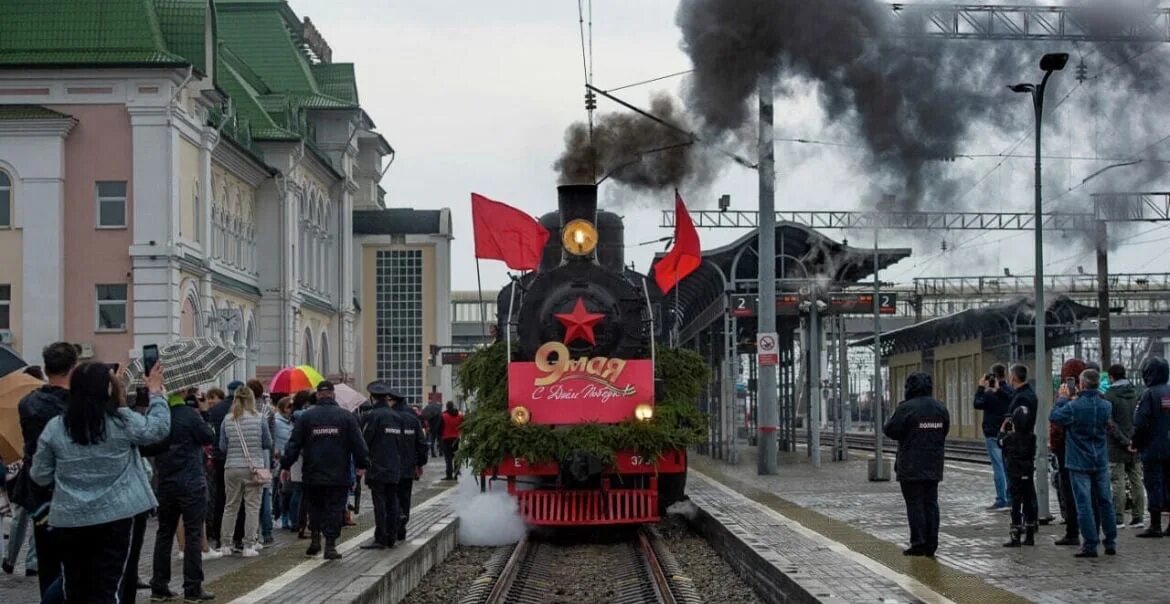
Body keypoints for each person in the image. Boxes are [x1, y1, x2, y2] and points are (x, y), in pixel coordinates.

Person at [30, 361, 170, 603]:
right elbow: (156, 430)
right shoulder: (121, 422)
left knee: (73, 586)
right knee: (107, 585)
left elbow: (40, 473)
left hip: (70, 517)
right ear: (107, 390)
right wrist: (156, 394)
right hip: (115, 516)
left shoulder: (57, 427)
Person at [15, 341, 78, 596]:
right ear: (73, 369)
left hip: (38, 492)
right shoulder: (76, 406)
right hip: (70, 491)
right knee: (75, 565)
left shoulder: (27, 403)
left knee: (47, 561)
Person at [280, 381, 369, 560]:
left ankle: (314, 540)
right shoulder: (346, 417)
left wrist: (285, 465)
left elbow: (293, 444)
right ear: (333, 395)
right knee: (335, 508)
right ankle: (330, 545)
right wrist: (362, 464)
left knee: (315, 506)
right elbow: (358, 444)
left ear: (318, 395)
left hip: (312, 472)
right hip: (339, 472)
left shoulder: (306, 417)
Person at [142, 390, 216, 601]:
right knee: (193, 534)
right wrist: (204, 413)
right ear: (183, 392)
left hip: (166, 482)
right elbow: (209, 437)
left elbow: (150, 446)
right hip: (191, 482)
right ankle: (192, 588)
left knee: (164, 533)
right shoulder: (189, 415)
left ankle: (159, 586)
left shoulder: (158, 415)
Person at [1050, 368, 1120, 558]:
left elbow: (1054, 417)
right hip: (1099, 458)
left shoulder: (1074, 407)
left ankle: (1090, 544)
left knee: (1084, 503)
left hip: (1078, 460)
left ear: (1081, 384)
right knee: (1105, 501)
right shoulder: (1106, 406)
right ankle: (1111, 541)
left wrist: (1062, 399)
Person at [883, 372, 949, 557]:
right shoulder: (940, 408)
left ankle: (919, 543)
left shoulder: (907, 408)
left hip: (911, 465)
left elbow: (890, 430)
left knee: (915, 504)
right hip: (933, 463)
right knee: (931, 503)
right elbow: (944, 430)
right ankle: (932, 543)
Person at [217, 386, 271, 557]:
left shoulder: (227, 419)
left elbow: (222, 446)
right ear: (252, 400)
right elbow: (267, 442)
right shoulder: (260, 418)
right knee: (252, 507)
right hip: (253, 468)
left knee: (230, 506)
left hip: (231, 467)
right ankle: (249, 545)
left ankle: (225, 544)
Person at [359, 382, 404, 549]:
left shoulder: (372, 416)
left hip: (377, 467)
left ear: (372, 398)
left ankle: (380, 538)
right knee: (392, 502)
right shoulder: (397, 417)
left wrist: (362, 461)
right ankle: (392, 535)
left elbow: (366, 440)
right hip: (394, 466)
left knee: (379, 504)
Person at [1103, 363, 1144, 529]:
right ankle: (1139, 517)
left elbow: (1110, 423)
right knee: (1136, 480)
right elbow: (1140, 419)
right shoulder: (1136, 393)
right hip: (1135, 444)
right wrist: (1133, 441)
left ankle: (1118, 518)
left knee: (1117, 481)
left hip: (1116, 446)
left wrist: (1123, 441)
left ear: (1111, 377)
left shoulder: (1109, 396)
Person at [1133, 356, 1170, 538]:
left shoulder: (1149, 394)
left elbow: (1140, 422)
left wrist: (1136, 444)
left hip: (1153, 448)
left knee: (1153, 485)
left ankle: (1155, 525)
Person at [1052, 358, 1086, 546]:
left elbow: (1056, 421)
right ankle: (1093, 532)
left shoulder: (1066, 400)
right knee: (1092, 494)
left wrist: (1063, 401)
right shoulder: (1097, 396)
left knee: (1071, 492)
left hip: (1068, 451)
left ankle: (1073, 531)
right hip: (1091, 453)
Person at [974, 364, 1012, 511]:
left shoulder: (989, 395)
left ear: (993, 376)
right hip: (1008, 433)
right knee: (1008, 466)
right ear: (1005, 374)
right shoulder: (1009, 391)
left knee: (998, 468)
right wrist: (1000, 388)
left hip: (992, 434)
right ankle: (1011, 498)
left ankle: (1001, 499)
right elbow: (1011, 398)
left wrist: (980, 387)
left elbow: (977, 404)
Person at [999, 403, 1037, 547]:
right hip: (1028, 474)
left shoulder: (1010, 439)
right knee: (1029, 503)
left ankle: (1015, 535)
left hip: (1014, 475)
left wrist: (1003, 428)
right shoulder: (1032, 438)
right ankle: (1030, 535)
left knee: (1016, 504)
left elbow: (1000, 442)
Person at [392, 393, 429, 541]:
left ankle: (395, 523)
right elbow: (421, 443)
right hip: (408, 465)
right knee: (405, 496)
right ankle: (402, 526)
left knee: (392, 495)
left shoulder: (390, 417)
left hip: (391, 465)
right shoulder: (413, 419)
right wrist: (420, 463)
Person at [206, 383, 238, 550]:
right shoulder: (243, 411)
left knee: (220, 497)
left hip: (219, 458)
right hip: (237, 459)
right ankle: (238, 538)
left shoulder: (215, 410)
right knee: (238, 499)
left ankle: (218, 535)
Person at [440, 402, 463, 481]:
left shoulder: (443, 416)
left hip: (446, 439)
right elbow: (463, 426)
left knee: (448, 458)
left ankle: (449, 475)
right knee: (456, 457)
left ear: (447, 407)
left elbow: (440, 427)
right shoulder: (460, 416)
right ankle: (456, 473)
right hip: (456, 438)